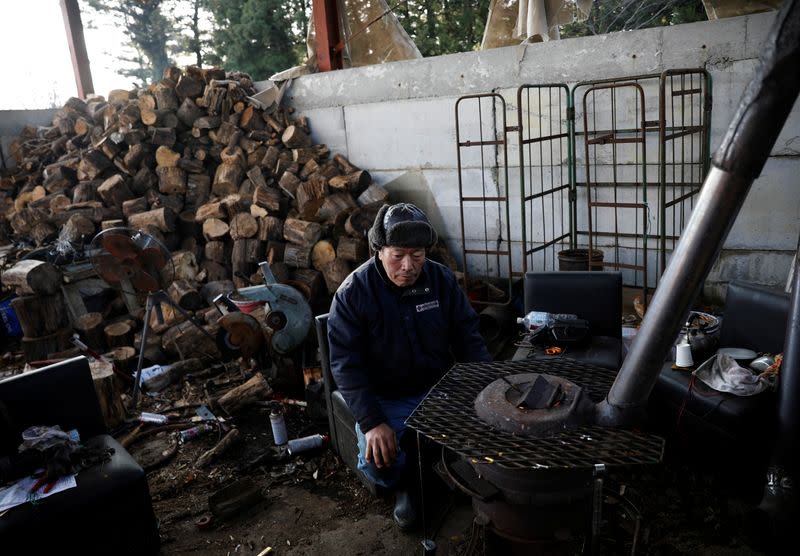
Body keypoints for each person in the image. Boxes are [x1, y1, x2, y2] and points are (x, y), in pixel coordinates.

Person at [327, 203, 490, 530]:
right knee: (377, 458)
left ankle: (440, 469)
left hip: (439, 390)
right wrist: (372, 421)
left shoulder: (440, 279)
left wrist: (485, 388)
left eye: (417, 255)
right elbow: (346, 366)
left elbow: (468, 338)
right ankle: (405, 484)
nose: (408, 266)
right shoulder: (353, 294)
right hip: (387, 400)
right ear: (378, 249)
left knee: (489, 425)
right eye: (398, 254)